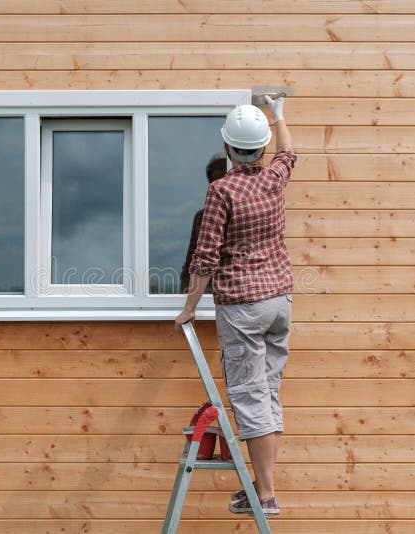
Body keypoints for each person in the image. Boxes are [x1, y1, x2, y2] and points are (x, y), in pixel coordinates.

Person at [175, 95, 295, 516]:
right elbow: (289, 153)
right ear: (261, 147)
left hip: (244, 306)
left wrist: (190, 306)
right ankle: (263, 487)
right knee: (267, 393)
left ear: (227, 148)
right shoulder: (273, 179)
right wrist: (278, 113)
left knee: (249, 395)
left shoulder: (221, 191)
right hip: (279, 301)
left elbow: (205, 257)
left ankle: (265, 495)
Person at [180, 154, 227, 294]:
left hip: (233, 287)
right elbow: (192, 255)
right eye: (216, 181)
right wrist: (184, 289)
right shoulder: (201, 217)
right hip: (205, 288)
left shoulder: (242, 212)